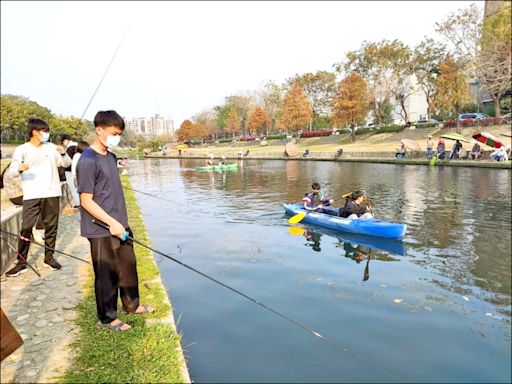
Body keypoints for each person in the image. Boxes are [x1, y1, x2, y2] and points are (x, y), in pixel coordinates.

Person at [76, 110, 154, 332]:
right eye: (114, 133)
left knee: (128, 266)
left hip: (121, 224)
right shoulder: (87, 161)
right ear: (99, 130)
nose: (116, 138)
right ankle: (107, 318)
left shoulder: (110, 157)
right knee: (107, 274)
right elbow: (86, 201)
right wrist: (111, 222)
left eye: (119, 134)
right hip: (100, 228)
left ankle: (132, 305)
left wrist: (119, 222)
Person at [4, 118, 72, 277]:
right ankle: (21, 262)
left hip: (52, 193)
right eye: (44, 131)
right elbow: (12, 171)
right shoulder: (22, 149)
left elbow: (66, 163)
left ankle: (49, 257)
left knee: (51, 226)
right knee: (26, 227)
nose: (47, 134)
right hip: (32, 194)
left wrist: (63, 153)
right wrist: (19, 169)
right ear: (34, 132)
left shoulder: (52, 148)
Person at [1, 162, 45, 244]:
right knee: (38, 204)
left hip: (19, 195)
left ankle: (36, 230)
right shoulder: (12, 172)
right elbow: (23, 185)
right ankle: (35, 230)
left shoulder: (11, 170)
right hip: (17, 197)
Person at [58, 134, 79, 208]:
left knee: (73, 187)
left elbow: (68, 162)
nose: (63, 144)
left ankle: (78, 203)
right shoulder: (77, 146)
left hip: (70, 171)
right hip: (78, 171)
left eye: (63, 142)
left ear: (65, 140)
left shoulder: (70, 148)